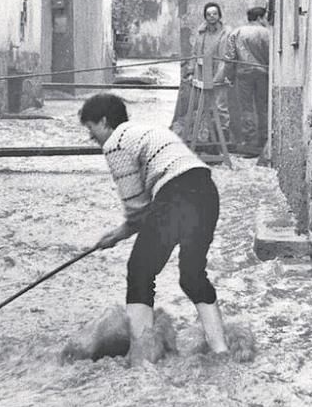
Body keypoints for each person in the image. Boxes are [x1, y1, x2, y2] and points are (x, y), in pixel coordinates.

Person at [79, 93, 229, 355]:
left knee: (139, 269)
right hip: (206, 191)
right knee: (192, 276)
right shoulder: (147, 131)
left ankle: (142, 355)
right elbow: (148, 211)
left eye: (92, 130)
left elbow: (138, 212)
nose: (92, 138)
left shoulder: (116, 142)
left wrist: (115, 236)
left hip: (175, 195)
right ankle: (221, 350)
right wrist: (121, 232)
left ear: (104, 121)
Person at [180, 2, 233, 143]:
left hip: (220, 73)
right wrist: (191, 71)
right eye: (209, 14)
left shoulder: (226, 33)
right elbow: (195, 54)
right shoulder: (201, 34)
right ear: (205, 17)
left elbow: (227, 56)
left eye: (215, 14)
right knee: (204, 106)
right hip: (203, 73)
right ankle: (208, 138)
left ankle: (222, 141)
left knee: (220, 106)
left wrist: (221, 76)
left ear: (219, 15)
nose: (212, 17)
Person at [225, 6, 270, 157]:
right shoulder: (267, 33)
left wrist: (229, 76)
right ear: (259, 18)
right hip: (263, 74)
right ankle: (263, 141)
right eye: (264, 17)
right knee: (263, 107)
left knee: (247, 108)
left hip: (243, 74)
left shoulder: (236, 33)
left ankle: (249, 142)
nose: (265, 21)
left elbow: (230, 57)